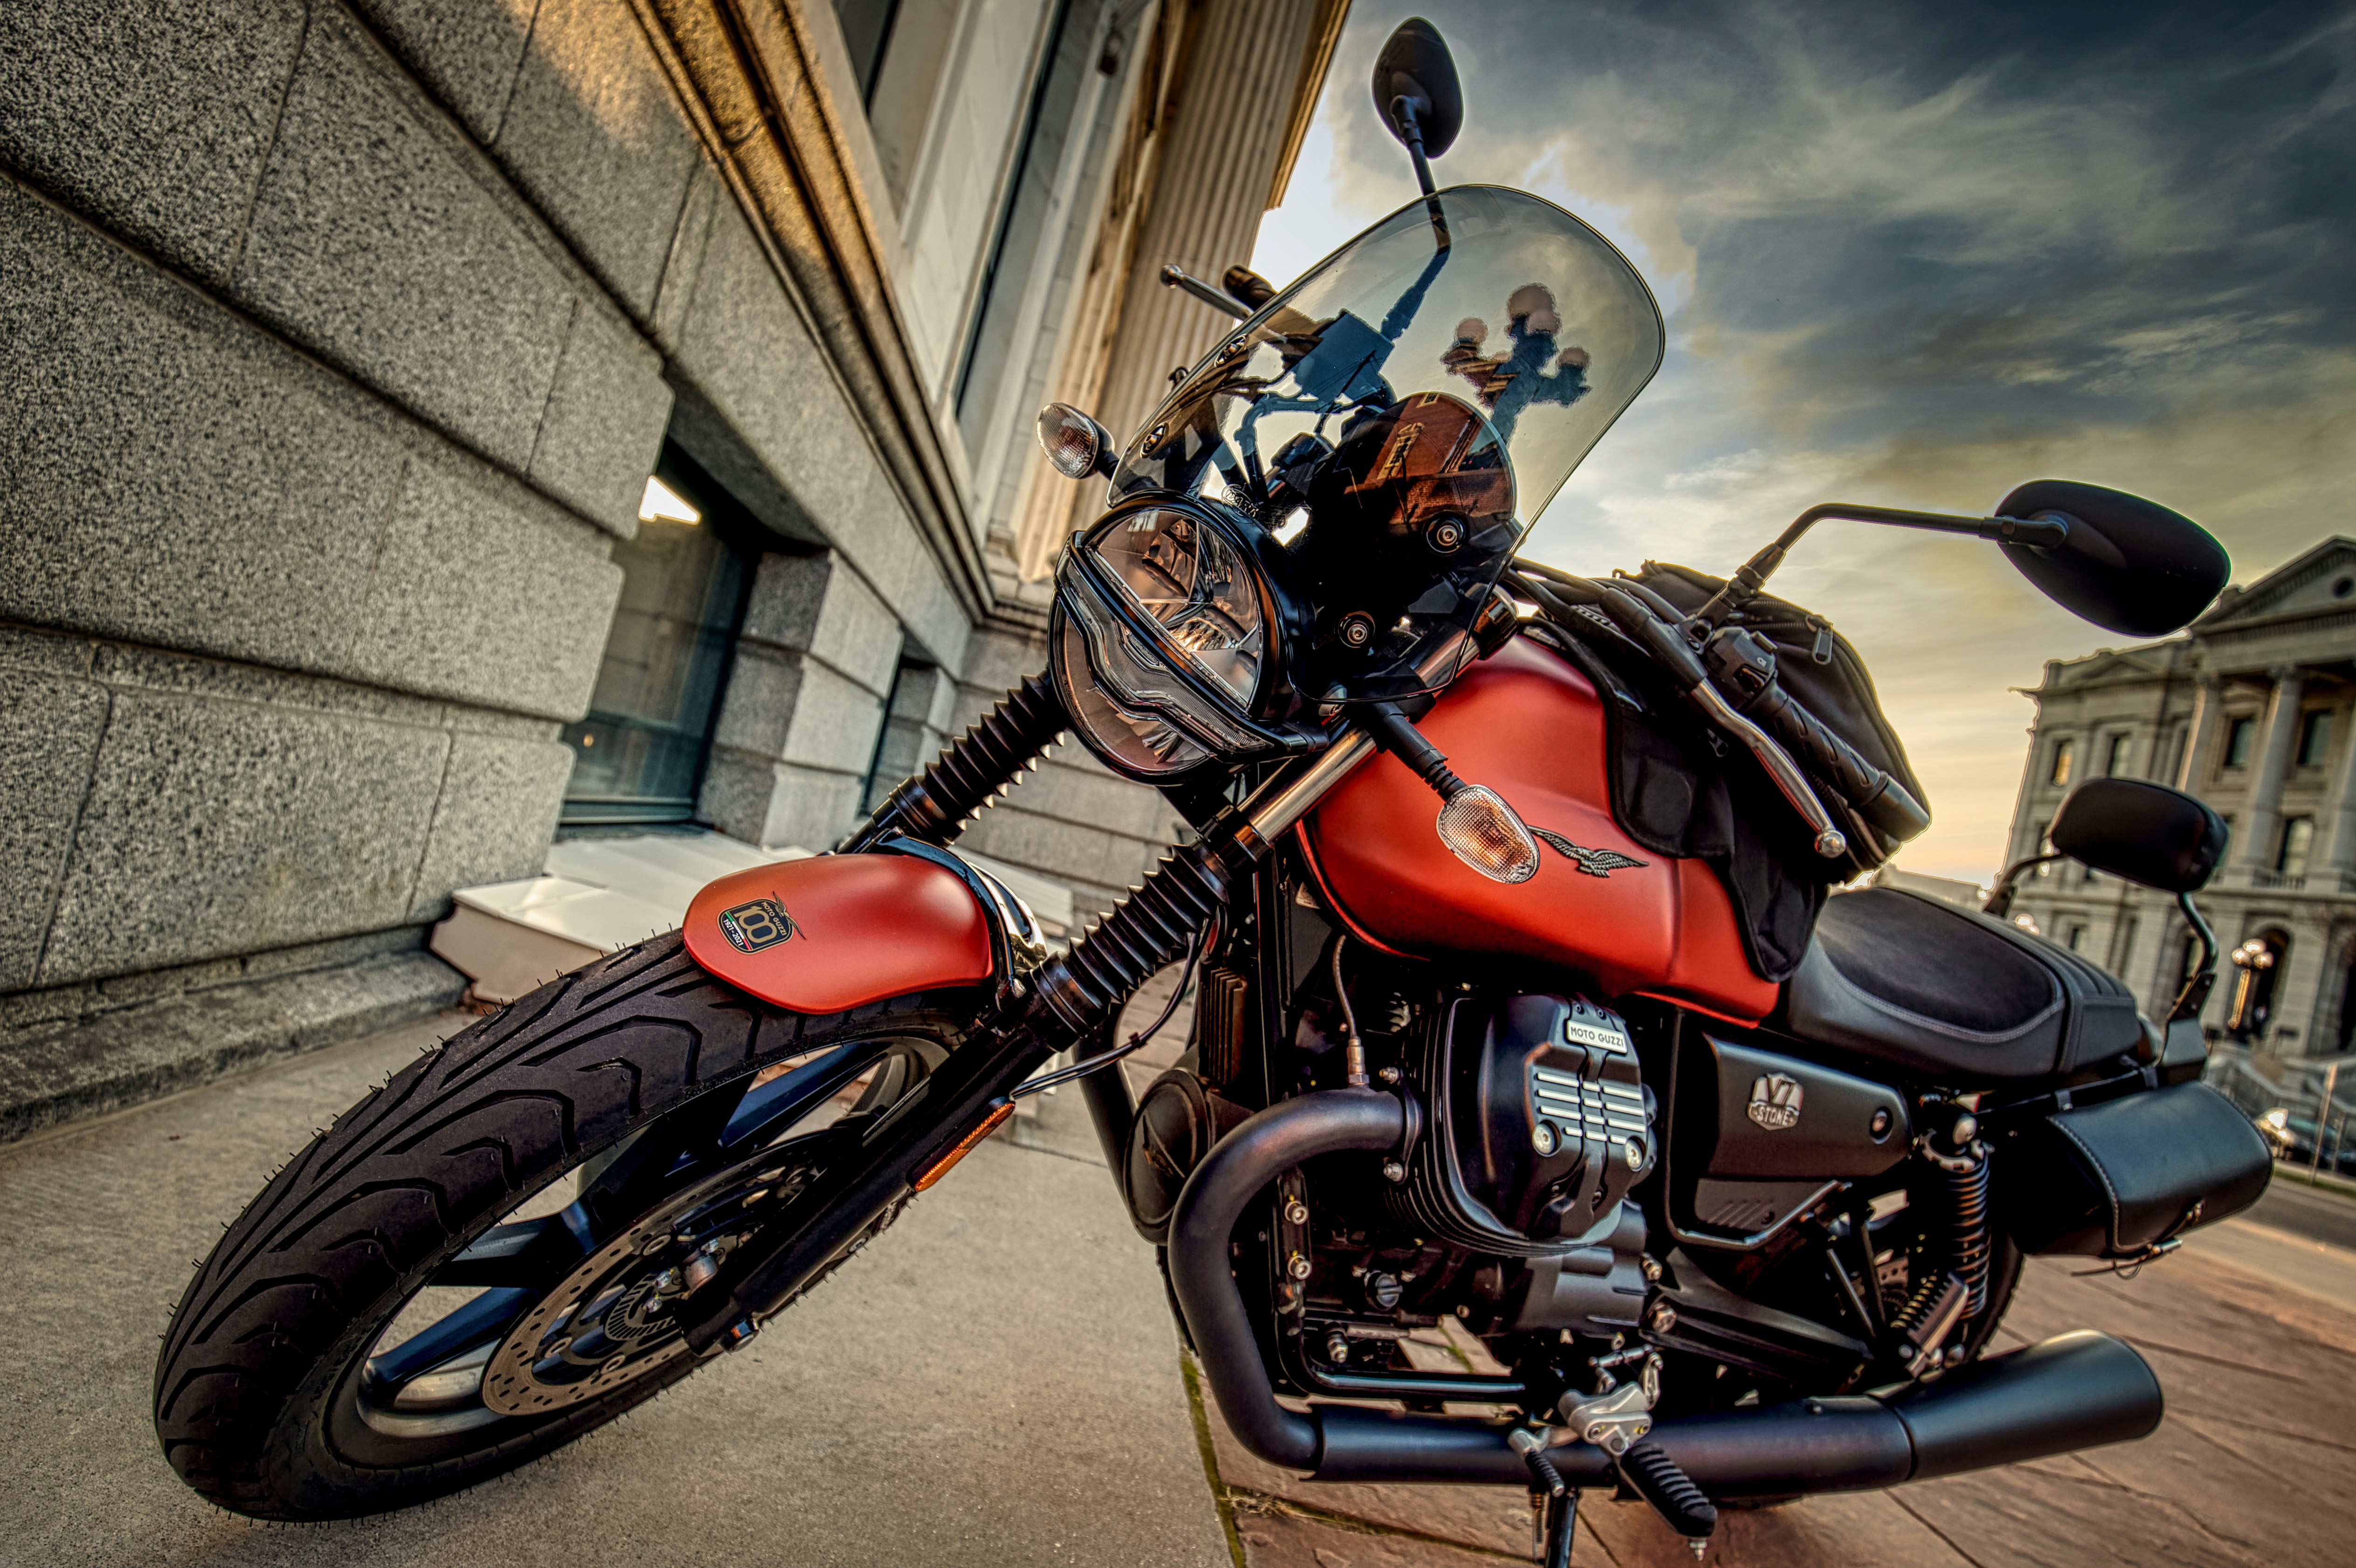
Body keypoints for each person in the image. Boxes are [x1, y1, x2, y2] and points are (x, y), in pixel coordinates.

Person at [1440, 282, 1590, 441]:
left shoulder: (1520, 373)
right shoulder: (1522, 374)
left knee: (1503, 418)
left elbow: (1472, 364)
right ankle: (1489, 450)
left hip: (1507, 390)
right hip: (1508, 389)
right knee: (1503, 418)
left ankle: (1488, 450)